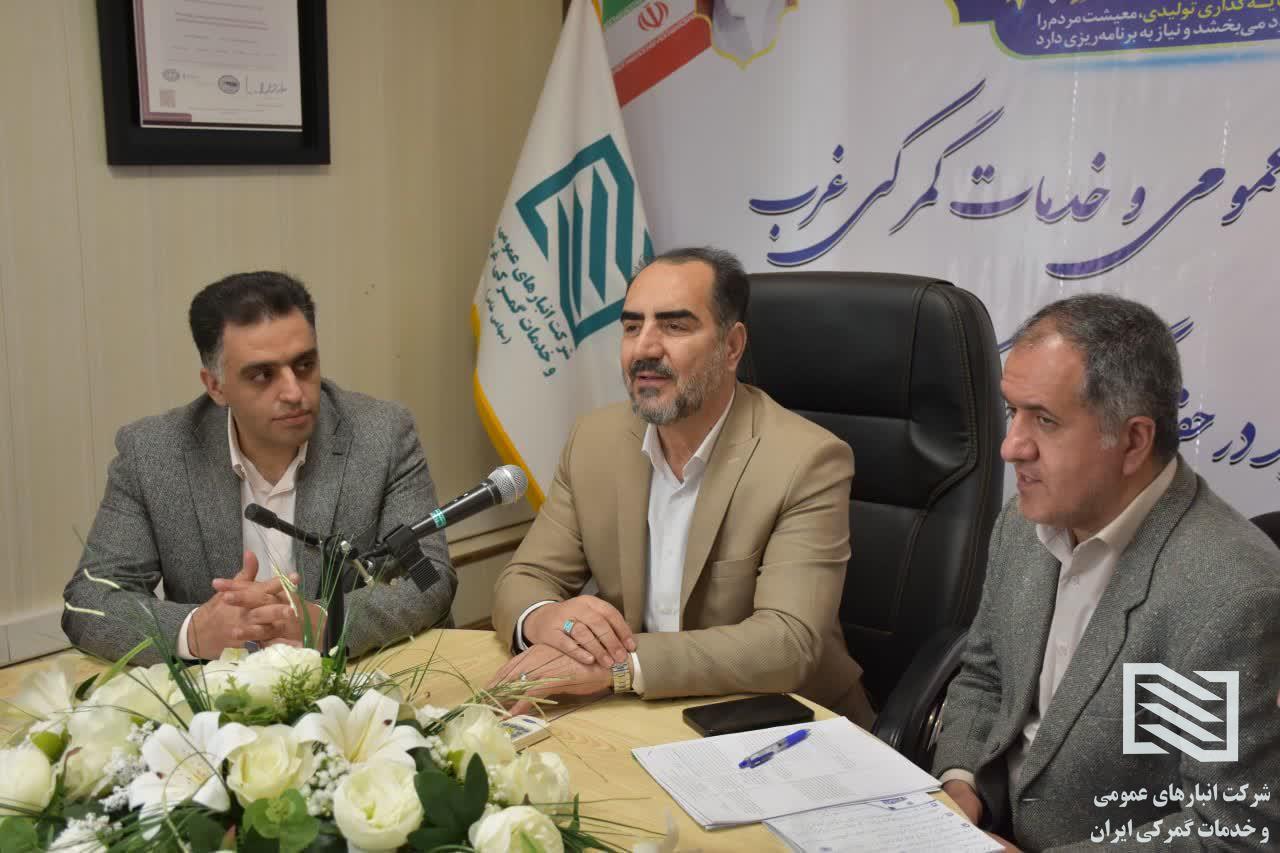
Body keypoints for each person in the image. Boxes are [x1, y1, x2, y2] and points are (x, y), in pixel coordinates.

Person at [933, 294, 1280, 851]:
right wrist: (960, 789)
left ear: (1133, 441)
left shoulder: (1228, 596)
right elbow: (986, 677)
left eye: (1045, 420)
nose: (1010, 448)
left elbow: (1230, 827)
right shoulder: (1022, 525)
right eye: (1012, 412)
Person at [489, 247, 873, 726]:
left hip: (785, 723)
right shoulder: (593, 439)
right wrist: (546, 617)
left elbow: (787, 642)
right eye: (632, 327)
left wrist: (618, 667)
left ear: (732, 347)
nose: (644, 349)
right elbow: (523, 578)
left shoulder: (807, 460)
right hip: (643, 715)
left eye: (674, 326)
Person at [63, 271, 456, 663]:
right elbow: (88, 600)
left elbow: (429, 576)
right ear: (215, 386)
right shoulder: (153, 454)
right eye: (263, 375)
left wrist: (327, 623)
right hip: (220, 692)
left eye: (304, 365)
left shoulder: (381, 435)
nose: (294, 392)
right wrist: (195, 631)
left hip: (358, 678)